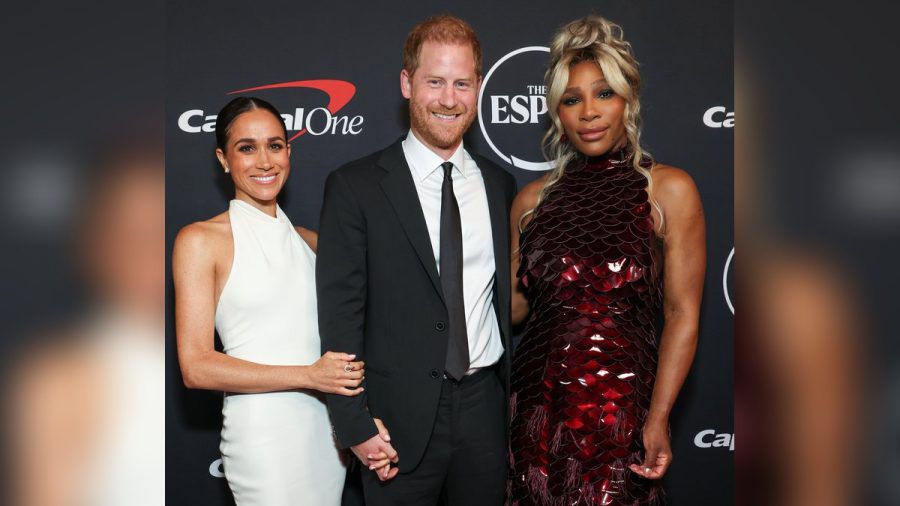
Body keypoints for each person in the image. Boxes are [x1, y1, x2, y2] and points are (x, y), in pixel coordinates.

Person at [316, 15, 517, 506]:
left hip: (484, 413)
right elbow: (341, 317)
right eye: (435, 81)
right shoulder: (355, 186)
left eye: (463, 83)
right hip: (393, 424)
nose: (449, 99)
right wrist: (352, 424)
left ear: (479, 88)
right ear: (407, 83)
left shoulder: (499, 184)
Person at [508, 16, 706, 505]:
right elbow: (511, 311)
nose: (589, 113)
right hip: (537, 402)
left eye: (604, 94)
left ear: (628, 101)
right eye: (572, 100)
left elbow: (682, 314)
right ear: (557, 112)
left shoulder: (668, 189)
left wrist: (657, 417)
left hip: (622, 411)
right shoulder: (532, 200)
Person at [172, 96, 366, 505]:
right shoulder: (200, 241)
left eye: (275, 145)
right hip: (263, 438)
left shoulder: (313, 243)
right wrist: (309, 376)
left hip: (324, 436)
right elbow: (196, 366)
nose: (264, 161)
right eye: (247, 148)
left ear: (288, 151)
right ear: (223, 159)